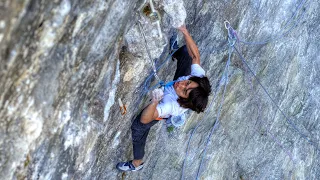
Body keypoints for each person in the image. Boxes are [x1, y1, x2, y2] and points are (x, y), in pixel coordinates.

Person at [116, 25, 212, 171]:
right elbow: (195, 56)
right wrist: (184, 31)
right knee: (187, 53)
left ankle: (137, 163)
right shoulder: (197, 79)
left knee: (138, 127)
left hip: (162, 106)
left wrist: (155, 102)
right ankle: (176, 53)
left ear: (184, 99)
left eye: (184, 90)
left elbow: (146, 118)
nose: (181, 85)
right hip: (172, 90)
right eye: (187, 82)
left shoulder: (172, 105)